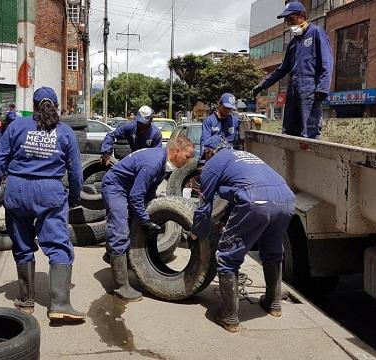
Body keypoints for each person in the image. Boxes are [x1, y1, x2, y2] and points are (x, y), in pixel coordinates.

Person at [0, 87, 85, 321]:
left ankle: (26, 301)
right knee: (58, 245)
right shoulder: (65, 132)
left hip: (17, 191)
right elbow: (75, 171)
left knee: (22, 245)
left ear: (33, 104)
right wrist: (74, 197)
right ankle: (60, 304)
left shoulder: (16, 127)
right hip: (49, 192)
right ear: (56, 104)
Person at [189, 136, 295, 333]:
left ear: (209, 152)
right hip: (286, 200)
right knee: (273, 252)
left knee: (227, 257)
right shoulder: (245, 156)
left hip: (257, 203)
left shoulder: (213, 165)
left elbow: (204, 207)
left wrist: (196, 233)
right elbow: (237, 191)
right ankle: (273, 305)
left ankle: (229, 316)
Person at [102, 135, 195, 301]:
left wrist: (149, 214)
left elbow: (148, 191)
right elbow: (136, 196)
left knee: (132, 224)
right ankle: (121, 286)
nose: (188, 162)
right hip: (116, 187)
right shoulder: (153, 163)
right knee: (120, 230)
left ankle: (112, 255)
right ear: (176, 151)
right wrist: (145, 221)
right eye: (187, 156)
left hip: (129, 188)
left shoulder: (163, 163)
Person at [251, 1, 333, 139]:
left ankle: (308, 159)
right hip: (293, 90)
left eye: (291, 19)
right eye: (287, 20)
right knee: (289, 132)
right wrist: (262, 85)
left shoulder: (316, 33)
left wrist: (323, 88)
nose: (289, 23)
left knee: (309, 132)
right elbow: (282, 69)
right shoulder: (293, 44)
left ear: (302, 15)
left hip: (310, 90)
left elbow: (327, 61)